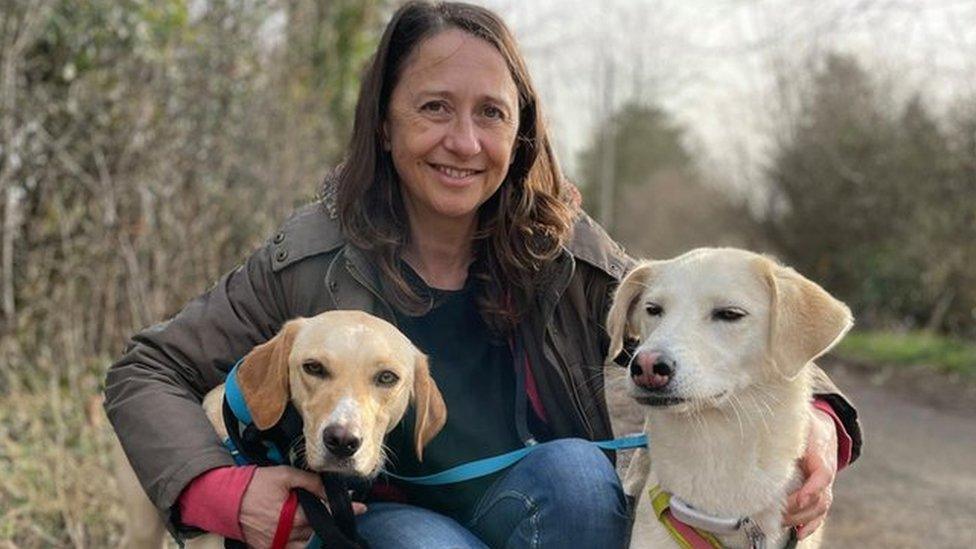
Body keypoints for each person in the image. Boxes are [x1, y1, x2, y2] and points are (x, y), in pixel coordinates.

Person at [104, 2, 861, 548]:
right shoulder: (308, 256)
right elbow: (148, 369)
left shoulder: (564, 251)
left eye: (492, 114)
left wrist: (821, 422)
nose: (463, 142)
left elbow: (704, 324)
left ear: (520, 130)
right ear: (385, 124)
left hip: (536, 508)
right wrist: (219, 491)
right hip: (384, 516)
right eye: (434, 107)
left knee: (573, 474)